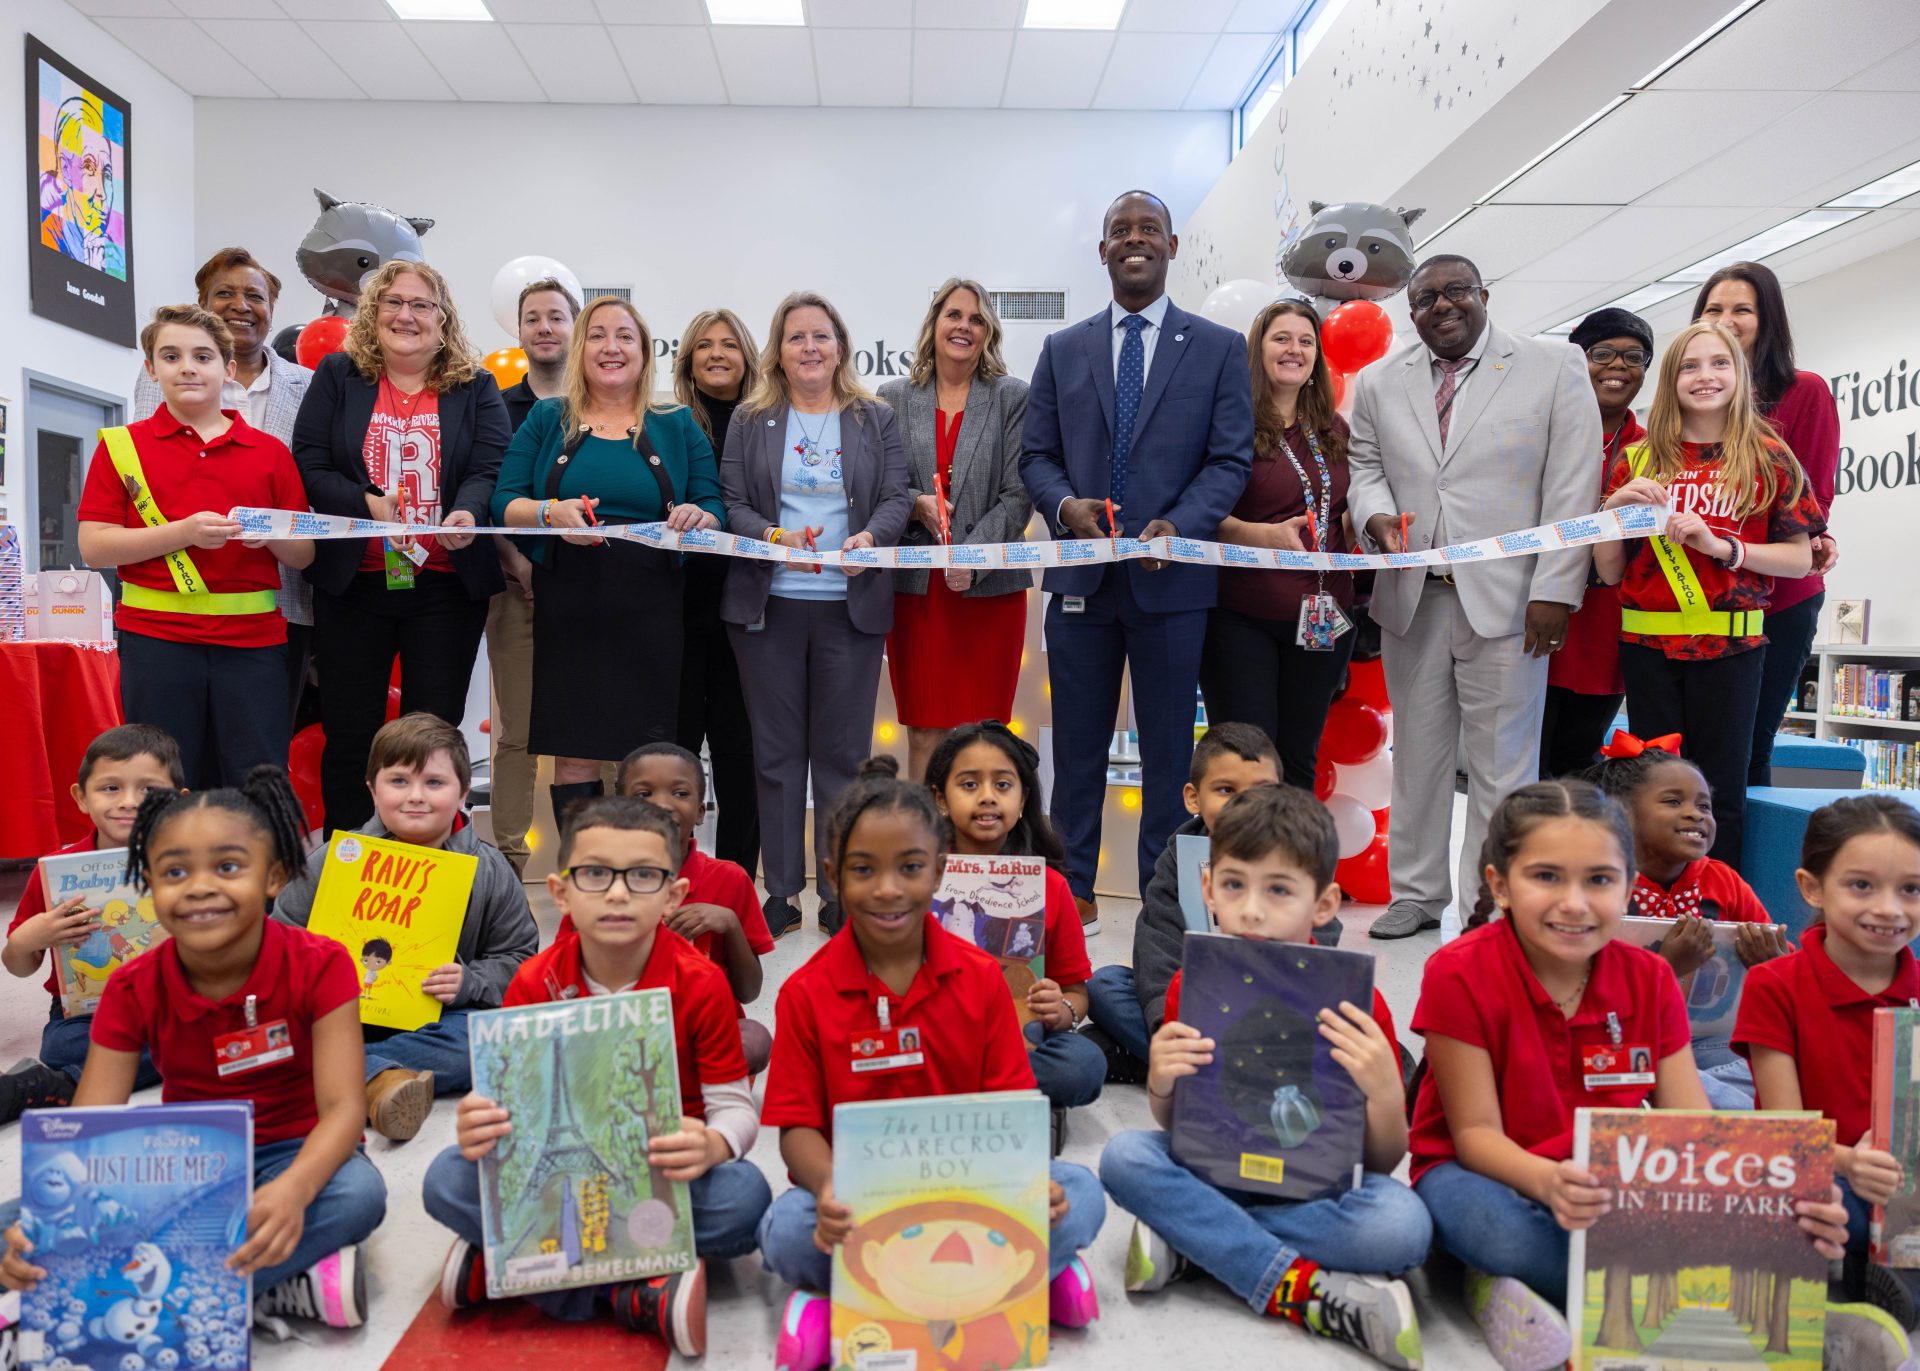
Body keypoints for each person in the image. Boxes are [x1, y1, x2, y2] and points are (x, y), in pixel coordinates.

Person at [1408, 780, 1849, 1369]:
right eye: (1546, 877)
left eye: (1599, 879)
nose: (1575, 902)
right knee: (1496, 1231)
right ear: (1499, 885)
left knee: (1798, 1213)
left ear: (1629, 888)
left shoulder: (1649, 977)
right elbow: (1476, 1137)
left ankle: (1559, 1289)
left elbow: (1692, 1123)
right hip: (1484, 1174)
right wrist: (1549, 1184)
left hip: (1608, 1176)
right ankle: (1677, 1295)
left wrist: (1777, 1198)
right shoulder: (1457, 972)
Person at [0, 768, 390, 1330]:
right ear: (148, 886)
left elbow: (345, 1110)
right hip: (182, 1160)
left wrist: (291, 1191)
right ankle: (273, 1285)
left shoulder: (321, 963)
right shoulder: (133, 985)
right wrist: (51, 1216)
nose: (200, 886)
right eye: (174, 871)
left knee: (358, 1195)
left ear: (275, 875)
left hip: (296, 1150)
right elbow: (91, 1129)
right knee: (14, 1221)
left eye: (228, 866)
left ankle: (137, 1291)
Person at [755, 760, 1105, 1371]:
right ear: (834, 877)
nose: (888, 888)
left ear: (940, 872)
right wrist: (830, 1185)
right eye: (863, 870)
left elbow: (1011, 1105)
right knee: (786, 1228)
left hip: (973, 1198)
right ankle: (1021, 1278)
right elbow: (796, 1132)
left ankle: (847, 1296)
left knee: (1079, 1193)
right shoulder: (804, 993)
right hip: (861, 1203)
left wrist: (1029, 1186)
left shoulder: (981, 981)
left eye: (910, 868)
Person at [424, 795, 771, 1355]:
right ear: (560, 892)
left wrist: (712, 1143)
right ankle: (634, 1289)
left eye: (642, 876)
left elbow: (734, 1107)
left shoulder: (701, 982)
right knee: (444, 1179)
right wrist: (476, 1123)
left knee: (746, 1198)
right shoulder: (534, 982)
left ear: (673, 895)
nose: (616, 892)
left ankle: (514, 1265)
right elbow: (503, 1106)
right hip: (557, 1177)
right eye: (594, 874)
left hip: (660, 1171)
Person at [1100, 786, 1427, 1369]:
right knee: (1125, 1155)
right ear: (1208, 890)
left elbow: (1379, 1162)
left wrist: (1383, 1092)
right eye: (1234, 885)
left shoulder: (1357, 1003)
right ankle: (1299, 1288)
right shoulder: (1190, 984)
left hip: (1310, 1189)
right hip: (1214, 1174)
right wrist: (1162, 1082)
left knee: (1402, 1226)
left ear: (1324, 904)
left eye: (1278, 890)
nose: (1251, 909)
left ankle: (1196, 1243)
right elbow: (1173, 1126)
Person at [1020, 190, 1254, 934]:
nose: (1135, 239)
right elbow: (1037, 455)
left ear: (1172, 246)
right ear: (1102, 251)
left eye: (1148, 228)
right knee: (1077, 750)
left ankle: (1165, 894)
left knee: (1166, 756)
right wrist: (1065, 509)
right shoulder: (1063, 350)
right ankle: (1073, 889)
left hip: (1174, 584)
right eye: (1120, 230)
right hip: (1082, 581)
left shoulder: (1218, 348)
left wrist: (1177, 526)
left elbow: (1230, 459)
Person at [1347, 255, 1601, 940]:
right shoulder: (1377, 382)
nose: (1442, 306)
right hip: (1412, 598)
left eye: (1456, 291)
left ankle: (1488, 906)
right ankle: (1417, 894)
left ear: (1484, 294)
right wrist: (1373, 516)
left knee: (1501, 765)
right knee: (1420, 761)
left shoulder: (1551, 365)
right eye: (1425, 298)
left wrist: (1556, 588)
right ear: (1412, 312)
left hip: (1514, 601)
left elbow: (1572, 485)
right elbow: (1365, 467)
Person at [1595, 321, 1824, 868]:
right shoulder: (1640, 458)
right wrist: (1611, 512)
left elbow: (1800, 558)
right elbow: (1608, 573)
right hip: (1649, 654)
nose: (1705, 376)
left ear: (1739, 374)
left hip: (1733, 652)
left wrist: (1724, 547)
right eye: (1690, 366)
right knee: (1653, 792)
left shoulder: (1769, 455)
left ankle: (1716, 911)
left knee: (1721, 792)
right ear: (1671, 379)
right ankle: (1652, 905)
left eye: (1719, 363)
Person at [718, 292, 910, 938]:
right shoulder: (752, 419)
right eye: (796, 337)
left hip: (848, 609)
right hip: (768, 606)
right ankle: (780, 892)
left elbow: (894, 497)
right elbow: (733, 502)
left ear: (840, 347)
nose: (809, 348)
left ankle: (836, 888)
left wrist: (870, 540)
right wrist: (773, 539)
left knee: (842, 756)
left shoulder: (873, 418)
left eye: (820, 337)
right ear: (779, 348)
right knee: (774, 757)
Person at [293, 260, 508, 834]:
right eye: (393, 303)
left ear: (443, 320)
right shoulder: (339, 376)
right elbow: (308, 464)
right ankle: (349, 861)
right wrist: (366, 504)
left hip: (444, 587)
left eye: (421, 305)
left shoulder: (475, 385)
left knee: (434, 734)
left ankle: (429, 860)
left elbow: (490, 467)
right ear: (373, 312)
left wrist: (468, 510)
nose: (406, 315)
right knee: (350, 734)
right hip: (354, 585)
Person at [494, 297, 722, 824]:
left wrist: (697, 515)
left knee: (647, 756)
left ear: (644, 353)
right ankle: (584, 880)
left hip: (653, 608)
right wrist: (551, 511)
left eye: (625, 336)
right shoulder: (548, 419)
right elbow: (503, 501)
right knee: (573, 753)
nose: (611, 347)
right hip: (569, 603)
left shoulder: (679, 423)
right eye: (597, 335)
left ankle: (644, 874)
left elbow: (714, 507)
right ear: (581, 350)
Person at [272, 713, 539, 1142]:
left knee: (490, 1043)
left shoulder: (489, 869)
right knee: (262, 1029)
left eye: (434, 783)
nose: (416, 796)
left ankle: (336, 1075)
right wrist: (313, 975)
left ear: (463, 792)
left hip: (436, 1022)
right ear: (372, 789)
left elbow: (521, 960)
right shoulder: (337, 858)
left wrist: (469, 981)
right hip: (338, 1016)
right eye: (398, 781)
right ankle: (376, 1081)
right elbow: (280, 934)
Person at [79, 305, 315, 790]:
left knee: (259, 781)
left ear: (228, 370)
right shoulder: (121, 447)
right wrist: (182, 533)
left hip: (254, 646)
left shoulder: (271, 453)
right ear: (151, 369)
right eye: (171, 355)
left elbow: (304, 554)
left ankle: (256, 868)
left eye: (202, 356)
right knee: (163, 781)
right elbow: (95, 549)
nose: (187, 366)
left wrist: (269, 535)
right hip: (156, 644)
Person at [1734, 795, 1920, 1325]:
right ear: (1811, 886)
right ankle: (1851, 1274)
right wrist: (1849, 1163)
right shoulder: (1776, 984)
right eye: (1861, 885)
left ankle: (1875, 1270)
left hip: (1904, 1187)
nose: (1890, 908)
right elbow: (1783, 1127)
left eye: (1911, 889)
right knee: (1793, 1202)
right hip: (1821, 1169)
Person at [131, 248, 315, 728]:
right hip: (174, 594)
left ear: (272, 309)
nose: (240, 304)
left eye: (254, 295)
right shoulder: (169, 377)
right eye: (225, 293)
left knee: (264, 736)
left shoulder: (310, 385)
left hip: (277, 594)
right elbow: (148, 468)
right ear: (202, 303)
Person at [1693, 262, 1842, 783]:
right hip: (1699, 600)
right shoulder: (1690, 398)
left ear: (1767, 319)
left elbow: (1815, 495)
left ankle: (1732, 866)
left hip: (1778, 599)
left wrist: (1816, 535)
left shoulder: (1804, 391)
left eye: (1742, 310)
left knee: (1747, 750)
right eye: (1714, 309)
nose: (1727, 319)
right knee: (1686, 754)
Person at [879, 279, 1034, 780]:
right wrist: (914, 504)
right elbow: (882, 487)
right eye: (954, 315)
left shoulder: (1013, 397)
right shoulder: (892, 398)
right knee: (924, 730)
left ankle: (978, 853)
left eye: (976, 318)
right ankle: (926, 853)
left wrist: (972, 557)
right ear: (934, 324)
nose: (964, 326)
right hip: (918, 595)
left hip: (989, 592)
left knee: (985, 733)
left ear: (988, 332)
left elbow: (1019, 493)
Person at [1585, 735, 1789, 1108]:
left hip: (1714, 1046)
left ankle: (1688, 1096)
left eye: (1705, 806)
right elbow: (1581, 996)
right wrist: (1665, 967)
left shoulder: (1723, 881)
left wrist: (1772, 965)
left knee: (1781, 1063)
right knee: (1600, 1071)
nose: (1696, 814)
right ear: (1619, 814)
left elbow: (1789, 973)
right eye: (1673, 802)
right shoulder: (1597, 887)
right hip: (1627, 1041)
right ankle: (1706, 1102)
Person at [1201, 299, 1355, 789]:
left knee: (1299, 758)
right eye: (1281, 338)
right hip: (1242, 616)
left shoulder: (1335, 430)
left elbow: (1346, 504)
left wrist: (1369, 524)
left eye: (1306, 341)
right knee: (1248, 764)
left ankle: (1293, 865)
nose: (1295, 350)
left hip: (1323, 619)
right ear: (1258, 350)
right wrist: (1260, 536)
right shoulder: (1228, 424)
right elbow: (1197, 514)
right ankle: (1242, 866)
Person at [925, 723, 1103, 1141]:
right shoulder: (918, 879)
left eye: (1003, 784)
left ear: (1022, 800)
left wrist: (1062, 1010)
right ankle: (1008, 1097)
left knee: (1083, 1066)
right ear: (940, 800)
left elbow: (1077, 992)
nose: (987, 795)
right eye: (969, 784)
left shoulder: (1052, 889)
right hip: (933, 1036)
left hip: (1019, 1043)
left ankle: (955, 1093)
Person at [1083, 723, 1286, 1082]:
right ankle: (1225, 1070)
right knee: (1106, 986)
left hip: (1273, 1007)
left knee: (1377, 1041)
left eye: (1261, 792)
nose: (1244, 806)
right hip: (1194, 1004)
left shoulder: (1298, 855)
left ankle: (1150, 1061)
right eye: (1226, 790)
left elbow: (1323, 938)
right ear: (1193, 798)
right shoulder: (1179, 858)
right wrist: (1166, 1026)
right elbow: (1156, 944)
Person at [0, 724, 179, 1118]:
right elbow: (18, 964)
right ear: (82, 798)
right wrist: (28, 940)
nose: (130, 802)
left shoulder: (193, 864)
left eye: (149, 790)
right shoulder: (55, 872)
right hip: (89, 1013)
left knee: (217, 1027)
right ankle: (84, 1072)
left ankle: (65, 1084)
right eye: (110, 788)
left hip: (176, 1005)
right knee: (61, 1048)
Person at [486, 277, 579, 875]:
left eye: (556, 317)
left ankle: (599, 852)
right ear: (517, 330)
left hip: (594, 594)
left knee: (599, 725)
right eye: (532, 318)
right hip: (516, 586)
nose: (544, 328)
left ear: (575, 326)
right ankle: (507, 863)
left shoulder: (606, 405)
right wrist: (516, 562)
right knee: (518, 729)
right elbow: (492, 491)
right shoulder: (494, 404)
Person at [615, 741, 775, 1074]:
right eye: (644, 795)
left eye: (680, 793)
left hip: (708, 1030)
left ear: (701, 813)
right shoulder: (599, 882)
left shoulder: (729, 879)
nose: (662, 804)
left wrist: (730, 925)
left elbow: (749, 992)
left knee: (756, 1040)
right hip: (624, 1031)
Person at [1539, 308, 1651, 778]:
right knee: (1525, 753)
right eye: (1601, 353)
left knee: (1578, 756)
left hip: (1605, 622)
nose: (1617, 367)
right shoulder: (1541, 433)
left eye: (1633, 356)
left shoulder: (1651, 447)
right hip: (1537, 609)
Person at [671, 307, 763, 873]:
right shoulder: (665, 422)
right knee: (677, 750)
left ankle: (735, 873)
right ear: (687, 361)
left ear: (748, 357)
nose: (717, 355)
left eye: (729, 344)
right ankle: (673, 868)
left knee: (739, 750)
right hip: (678, 607)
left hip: (750, 606)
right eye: (704, 345)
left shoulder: (769, 423)